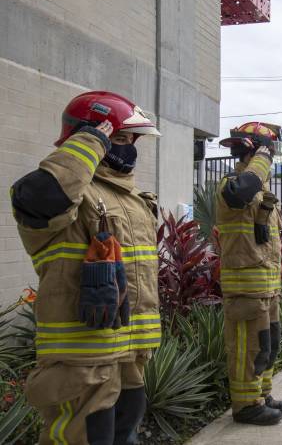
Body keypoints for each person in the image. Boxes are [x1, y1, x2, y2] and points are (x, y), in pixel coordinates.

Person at [11, 91, 162, 444]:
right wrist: (91, 141)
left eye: (131, 140)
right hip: (81, 356)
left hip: (130, 352)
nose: (128, 149)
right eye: (119, 138)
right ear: (92, 136)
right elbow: (41, 198)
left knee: (124, 432)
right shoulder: (63, 193)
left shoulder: (132, 198)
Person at [216, 121, 282, 426]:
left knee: (268, 343)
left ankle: (262, 394)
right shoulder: (231, 186)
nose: (271, 163)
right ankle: (246, 405)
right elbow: (241, 191)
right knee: (249, 347)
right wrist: (262, 156)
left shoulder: (262, 193)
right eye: (268, 156)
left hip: (266, 288)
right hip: (245, 290)